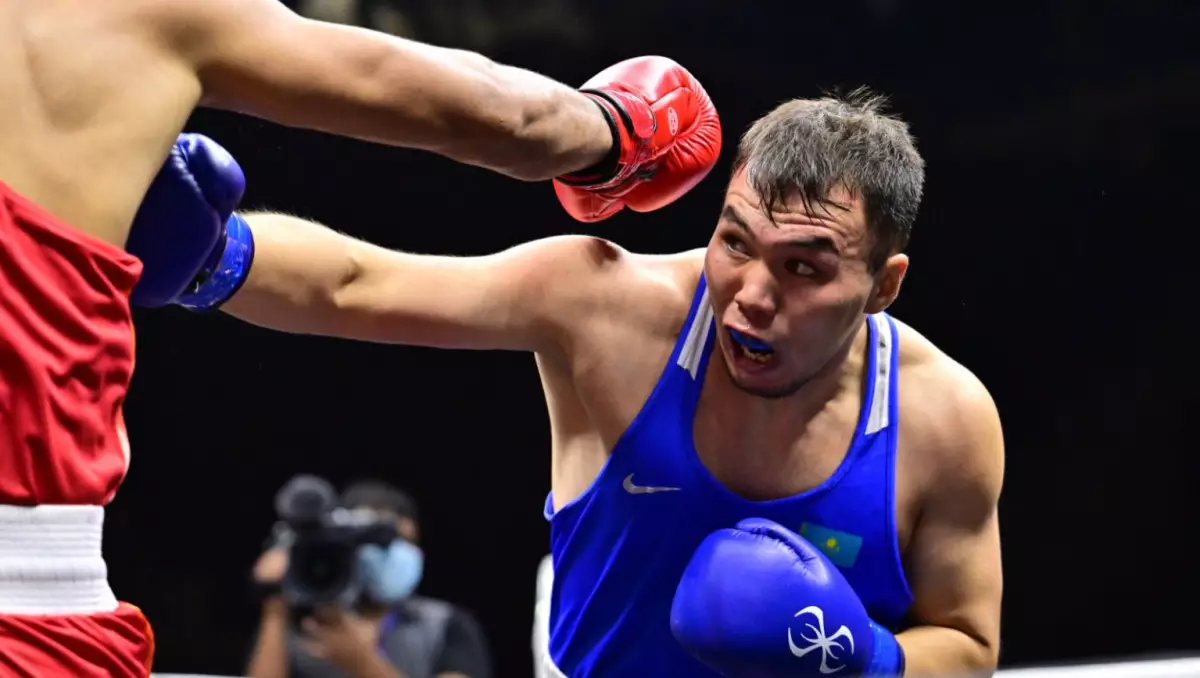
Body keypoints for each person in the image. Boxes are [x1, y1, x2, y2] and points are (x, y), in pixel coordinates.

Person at [136, 87, 1003, 677]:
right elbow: (360, 284)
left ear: (884, 286)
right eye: (735, 242)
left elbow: (967, 640)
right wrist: (210, 253)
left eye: (805, 268)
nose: (752, 294)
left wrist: (866, 659)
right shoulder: (608, 309)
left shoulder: (944, 418)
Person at [0, 0, 719, 673]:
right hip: (33, 607)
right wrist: (617, 128)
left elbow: (352, 286)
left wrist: (209, 260)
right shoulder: (135, 13)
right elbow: (506, 117)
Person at [246, 480, 491, 678]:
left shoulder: (445, 625)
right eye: (379, 542)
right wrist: (275, 607)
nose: (394, 553)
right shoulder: (303, 625)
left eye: (406, 542)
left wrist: (363, 664)